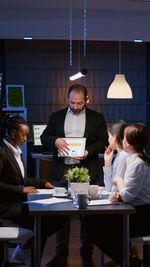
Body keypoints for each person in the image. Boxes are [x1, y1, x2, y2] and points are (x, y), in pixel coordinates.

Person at [41, 83, 108, 267]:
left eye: (79, 103)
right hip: (61, 171)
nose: (75, 107)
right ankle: (60, 255)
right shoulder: (57, 117)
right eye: (72, 103)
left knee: (87, 215)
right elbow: (43, 138)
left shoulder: (97, 118)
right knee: (60, 214)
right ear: (67, 99)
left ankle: (87, 254)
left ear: (87, 99)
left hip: (86, 170)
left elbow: (104, 142)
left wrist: (88, 151)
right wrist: (55, 140)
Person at [0, 115, 65, 265]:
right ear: (13, 133)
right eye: (23, 135)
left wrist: (43, 183)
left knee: (57, 219)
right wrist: (21, 191)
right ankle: (30, 257)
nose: (25, 138)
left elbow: (21, 180)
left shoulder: (15, 151)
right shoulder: (2, 152)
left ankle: (25, 250)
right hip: (8, 206)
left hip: (17, 202)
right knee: (44, 222)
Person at [87, 123, 150, 267]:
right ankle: (126, 260)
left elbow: (127, 194)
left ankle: (129, 262)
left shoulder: (138, 163)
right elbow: (129, 192)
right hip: (136, 211)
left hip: (141, 217)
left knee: (94, 230)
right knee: (94, 226)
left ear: (127, 142)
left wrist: (119, 182)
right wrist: (119, 195)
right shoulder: (135, 159)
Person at [103, 120, 128, 192]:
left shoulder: (123, 156)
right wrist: (107, 164)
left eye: (109, 136)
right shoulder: (120, 155)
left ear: (115, 138)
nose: (108, 140)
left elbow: (113, 189)